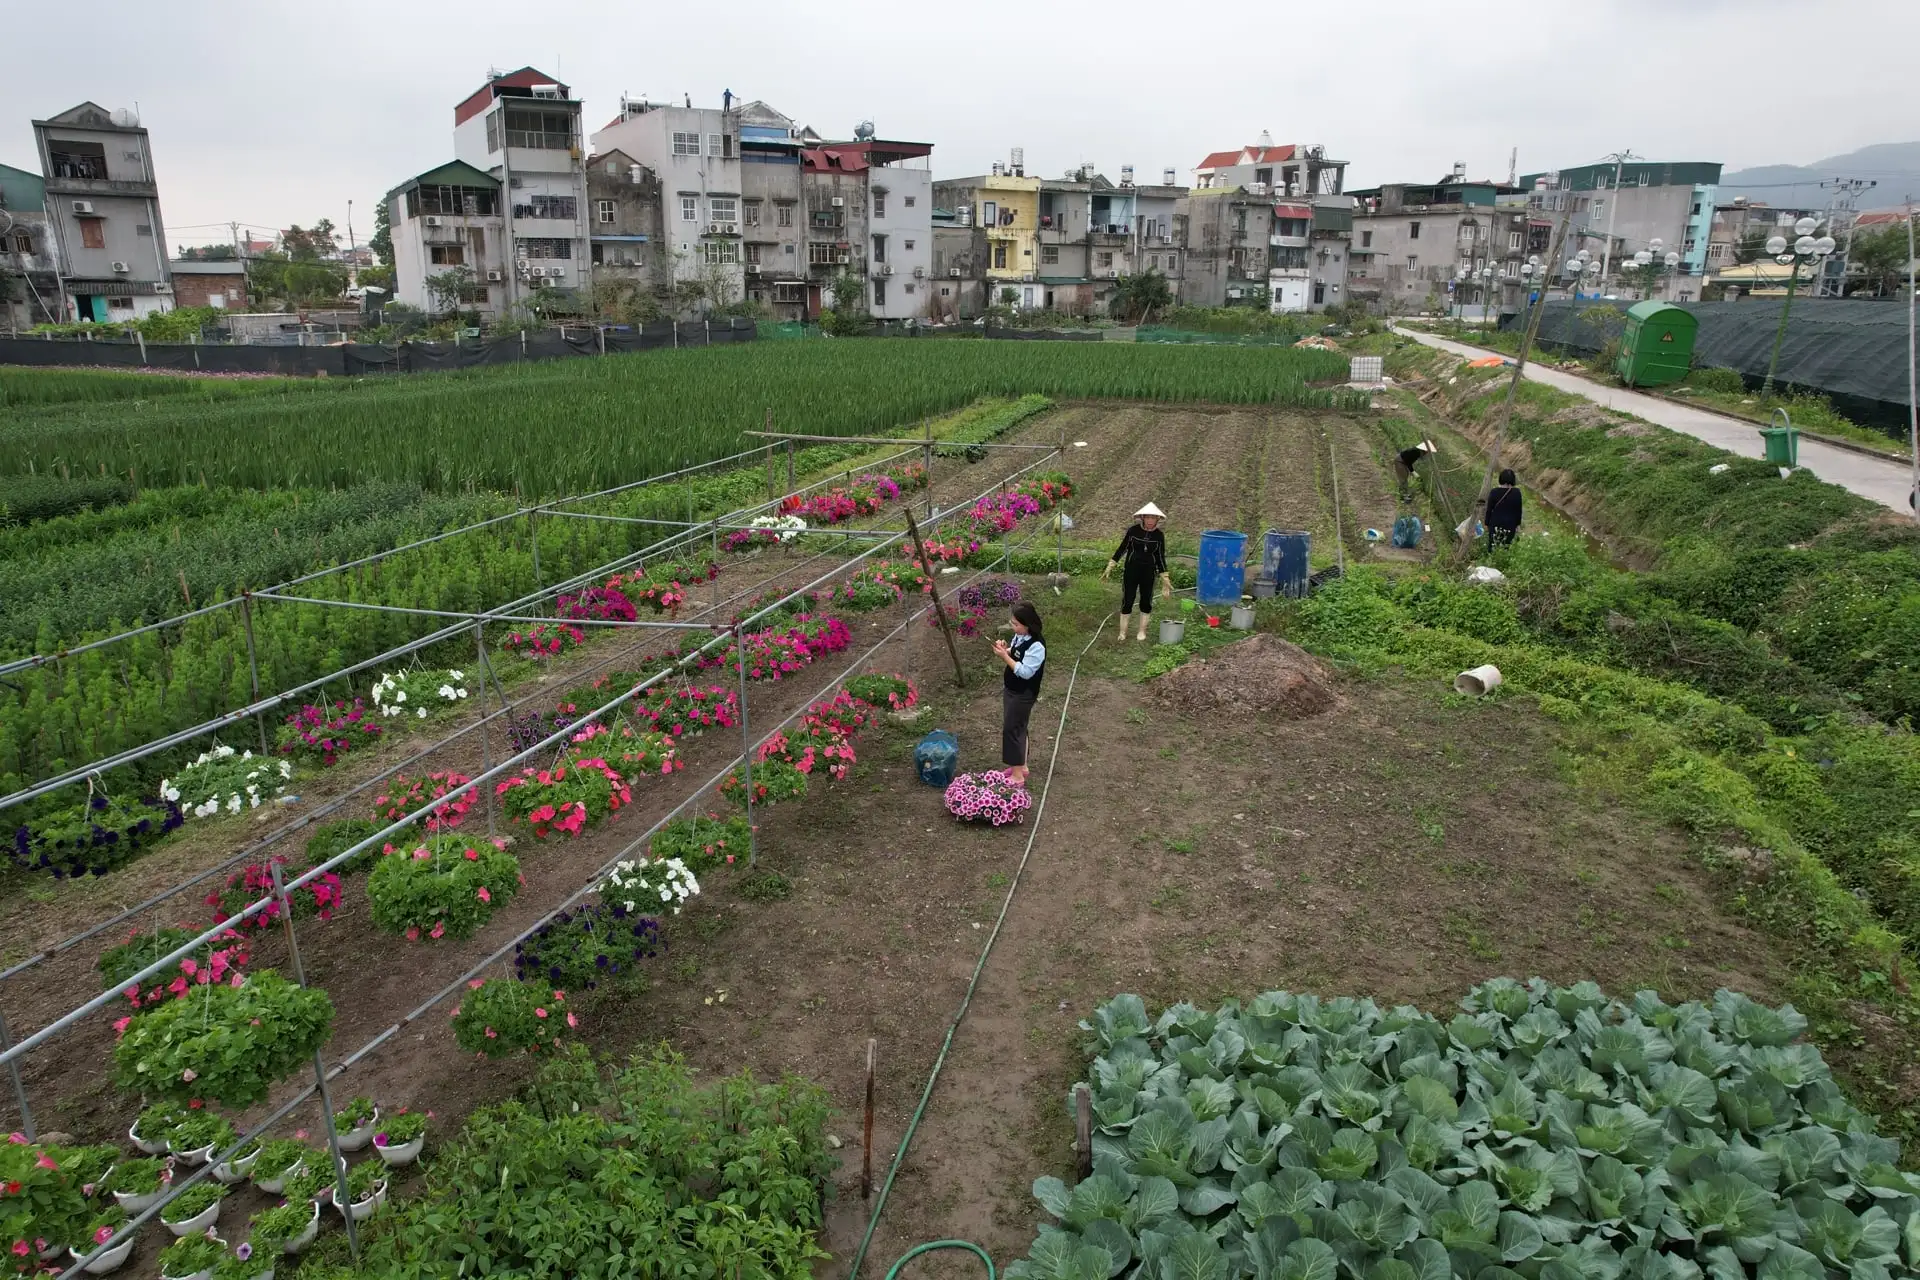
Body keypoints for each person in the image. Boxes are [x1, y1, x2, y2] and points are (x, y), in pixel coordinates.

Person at [992, 602, 1047, 788]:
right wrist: (1005, 649)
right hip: (1012, 690)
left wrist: (1004, 657)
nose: (1013, 627)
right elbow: (1015, 652)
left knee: (1012, 729)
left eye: (1016, 624)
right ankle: (1022, 766)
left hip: (1023, 693)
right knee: (1019, 726)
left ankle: (1017, 776)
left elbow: (1025, 672)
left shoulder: (1037, 646)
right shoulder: (1020, 637)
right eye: (1012, 623)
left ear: (1028, 625)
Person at [1102, 503, 1172, 642]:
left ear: (1157, 519)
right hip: (1131, 571)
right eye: (1148, 517)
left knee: (1146, 601)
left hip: (1148, 572)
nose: (1151, 520)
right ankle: (1123, 632)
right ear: (1143, 518)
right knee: (1128, 600)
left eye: (1153, 518)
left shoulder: (1159, 536)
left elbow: (1160, 557)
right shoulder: (1133, 531)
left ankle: (1142, 631)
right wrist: (1111, 564)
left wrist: (1165, 577)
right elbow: (1122, 548)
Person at [1483, 468, 1523, 550]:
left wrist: (1486, 523)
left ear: (1501, 479)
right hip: (1510, 524)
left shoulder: (1494, 492)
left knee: (1493, 545)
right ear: (1513, 480)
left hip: (1495, 524)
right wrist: (1518, 524)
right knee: (1506, 546)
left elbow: (1489, 510)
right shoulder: (1517, 492)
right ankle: (1504, 561)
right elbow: (1518, 511)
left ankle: (1492, 561)